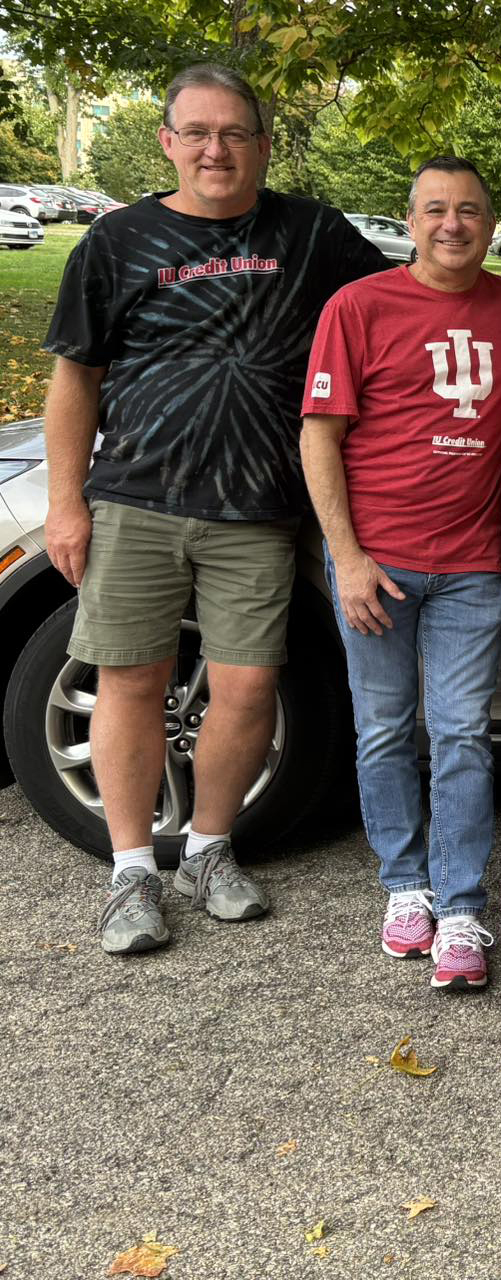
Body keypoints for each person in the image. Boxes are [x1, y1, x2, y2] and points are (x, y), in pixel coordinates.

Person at [42, 63, 388, 955]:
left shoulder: (311, 233)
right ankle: (130, 871)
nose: (215, 148)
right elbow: (74, 377)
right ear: (167, 143)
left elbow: (414, 304)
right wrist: (66, 503)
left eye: (235, 132)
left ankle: (205, 849)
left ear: (264, 145)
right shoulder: (116, 244)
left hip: (258, 509)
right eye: (196, 132)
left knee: (245, 686)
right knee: (130, 679)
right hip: (136, 498)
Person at [301, 156, 501, 989]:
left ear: (492, 222)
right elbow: (320, 436)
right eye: (436, 210)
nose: (454, 224)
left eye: (470, 211)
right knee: (382, 731)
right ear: (409, 222)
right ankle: (403, 886)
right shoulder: (360, 306)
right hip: (378, 565)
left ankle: (459, 906)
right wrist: (347, 558)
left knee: (461, 735)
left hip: (471, 566)